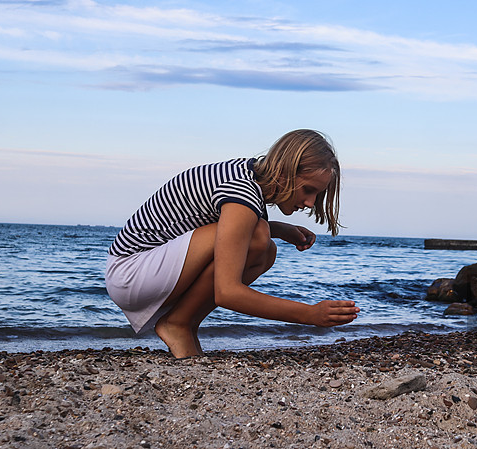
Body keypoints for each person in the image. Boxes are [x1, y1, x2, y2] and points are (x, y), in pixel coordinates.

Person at [105, 129, 360, 358]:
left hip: (143, 270)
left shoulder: (247, 177)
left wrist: (279, 229)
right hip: (131, 272)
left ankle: (184, 325)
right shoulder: (242, 191)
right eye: (308, 190)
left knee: (265, 248)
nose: (310, 203)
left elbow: (228, 231)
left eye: (317, 195)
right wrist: (308, 314)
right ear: (284, 172)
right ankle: (177, 325)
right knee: (259, 238)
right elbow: (227, 292)